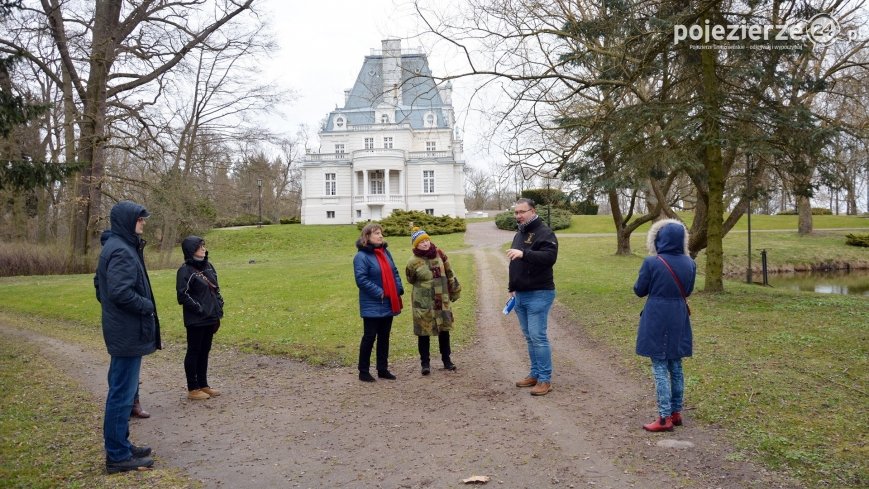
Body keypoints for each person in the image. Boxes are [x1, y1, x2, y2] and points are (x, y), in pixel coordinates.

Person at [94, 200, 161, 473]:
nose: (143, 222)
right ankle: (118, 456)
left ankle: (122, 445)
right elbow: (119, 292)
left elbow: (102, 288)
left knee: (123, 392)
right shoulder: (120, 250)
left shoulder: (120, 246)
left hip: (125, 330)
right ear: (127, 221)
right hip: (126, 333)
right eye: (140, 218)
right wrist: (146, 306)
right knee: (121, 395)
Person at [634, 219, 696, 432]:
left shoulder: (652, 262)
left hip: (658, 315)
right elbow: (687, 290)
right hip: (679, 314)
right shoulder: (690, 263)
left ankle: (664, 417)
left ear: (658, 239)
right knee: (676, 365)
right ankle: (676, 412)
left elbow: (639, 290)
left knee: (660, 365)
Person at [507, 198, 558, 396]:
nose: (518, 215)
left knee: (538, 337)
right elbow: (514, 262)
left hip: (539, 292)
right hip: (520, 294)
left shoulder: (545, 232)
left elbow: (549, 258)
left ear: (533, 211)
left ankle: (545, 380)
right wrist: (511, 287)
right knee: (529, 337)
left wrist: (524, 254)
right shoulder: (519, 232)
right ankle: (535, 374)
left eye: (522, 212)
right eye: (516, 212)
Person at [405, 227, 462, 375]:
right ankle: (425, 364)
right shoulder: (413, 261)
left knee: (444, 330)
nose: (425, 244)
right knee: (423, 333)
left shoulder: (440, 254)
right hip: (422, 302)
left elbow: (450, 273)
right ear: (415, 245)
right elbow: (410, 278)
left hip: (441, 299)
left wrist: (454, 290)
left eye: (426, 240)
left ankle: (447, 361)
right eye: (421, 242)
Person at [354, 223, 404, 382]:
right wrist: (380, 292)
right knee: (369, 337)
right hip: (372, 304)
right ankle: (363, 371)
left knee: (384, 337)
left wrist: (398, 288)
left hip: (388, 302)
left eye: (381, 233)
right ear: (367, 236)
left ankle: (382, 369)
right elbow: (361, 279)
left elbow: (394, 271)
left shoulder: (385, 253)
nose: (381, 236)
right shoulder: (361, 257)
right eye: (376, 233)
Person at [176, 236, 224, 400]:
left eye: (203, 246)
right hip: (196, 320)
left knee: (205, 351)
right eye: (199, 246)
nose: (203, 249)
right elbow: (182, 295)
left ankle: (204, 385)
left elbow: (216, 289)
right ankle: (193, 388)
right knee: (194, 351)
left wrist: (219, 304)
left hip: (211, 317)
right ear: (191, 250)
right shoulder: (185, 270)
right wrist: (199, 309)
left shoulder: (209, 266)